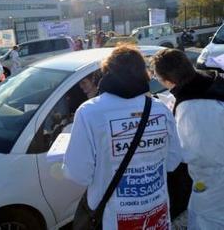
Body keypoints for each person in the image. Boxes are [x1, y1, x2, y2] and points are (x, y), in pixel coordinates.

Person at [63, 43, 182, 229]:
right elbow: (174, 161)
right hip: (155, 212)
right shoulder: (160, 109)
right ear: (144, 74)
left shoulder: (89, 112)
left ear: (107, 73)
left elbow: (78, 173)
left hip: (112, 217)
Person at [151, 49, 224, 230]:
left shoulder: (192, 106)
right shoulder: (212, 80)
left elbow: (201, 153)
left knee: (206, 222)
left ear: (168, 80)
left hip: (215, 182)